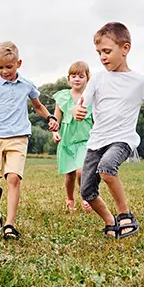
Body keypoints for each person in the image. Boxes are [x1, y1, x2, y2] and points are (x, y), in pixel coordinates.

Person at [72, 22, 144, 239]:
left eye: (107, 51)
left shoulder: (138, 82)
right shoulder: (97, 78)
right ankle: (110, 221)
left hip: (123, 139)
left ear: (125, 49)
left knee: (107, 168)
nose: (102, 57)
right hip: (97, 141)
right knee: (87, 192)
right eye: (99, 53)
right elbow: (81, 104)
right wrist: (76, 111)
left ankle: (125, 215)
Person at [0, 41, 59, 240]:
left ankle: (9, 225)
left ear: (19, 63)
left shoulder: (27, 85)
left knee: (13, 178)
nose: (4, 71)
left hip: (18, 136)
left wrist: (50, 117)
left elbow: (38, 106)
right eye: (0, 67)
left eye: (9, 67)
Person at [52, 61, 93, 212]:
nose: (77, 79)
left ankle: (85, 197)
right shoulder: (62, 97)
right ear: (68, 78)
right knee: (70, 175)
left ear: (87, 78)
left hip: (85, 141)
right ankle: (69, 198)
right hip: (67, 142)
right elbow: (56, 119)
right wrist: (55, 132)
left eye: (81, 76)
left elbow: (97, 119)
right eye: (73, 76)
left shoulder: (90, 98)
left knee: (81, 172)